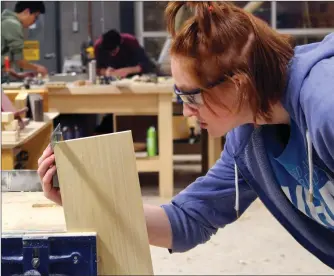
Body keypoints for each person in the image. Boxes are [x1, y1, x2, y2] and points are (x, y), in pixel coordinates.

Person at [37, 2, 334, 270]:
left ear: (238, 85)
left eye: (191, 97)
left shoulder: (325, 107)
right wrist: (84, 197)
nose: (186, 111)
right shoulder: (248, 138)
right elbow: (186, 221)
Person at [1, 1, 48, 81]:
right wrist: (38, 68)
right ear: (26, 12)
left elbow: (5, 62)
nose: (34, 21)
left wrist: (18, 75)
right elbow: (19, 61)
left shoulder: (5, 22)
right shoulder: (13, 24)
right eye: (35, 17)